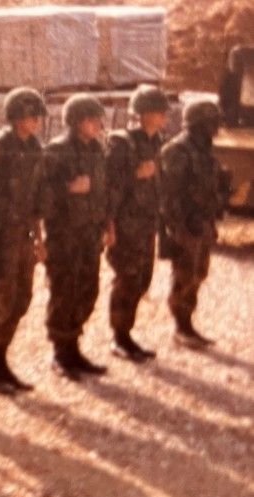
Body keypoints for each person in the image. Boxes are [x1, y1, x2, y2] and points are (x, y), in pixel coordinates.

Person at [38, 93, 114, 380]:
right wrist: (67, 189)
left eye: (97, 119)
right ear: (75, 121)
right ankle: (61, 352)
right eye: (91, 119)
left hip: (89, 234)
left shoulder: (97, 149)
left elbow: (103, 191)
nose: (96, 124)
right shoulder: (57, 151)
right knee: (64, 292)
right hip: (64, 235)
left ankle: (73, 346)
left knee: (87, 290)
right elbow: (41, 196)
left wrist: (108, 225)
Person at [0, 87, 47, 394]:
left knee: (20, 299)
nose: (37, 122)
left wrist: (39, 238)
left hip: (22, 237)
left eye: (38, 117)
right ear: (17, 118)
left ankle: (2, 362)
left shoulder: (34, 149)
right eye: (32, 116)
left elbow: (34, 199)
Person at [106, 85, 170, 361]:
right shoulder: (123, 142)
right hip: (125, 225)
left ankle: (126, 334)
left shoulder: (157, 143)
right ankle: (119, 337)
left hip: (146, 225)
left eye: (161, 111)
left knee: (142, 279)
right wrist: (135, 175)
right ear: (141, 114)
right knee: (127, 280)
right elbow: (109, 184)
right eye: (155, 111)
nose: (161, 115)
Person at [160, 99, 228, 348]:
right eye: (211, 123)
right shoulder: (177, 150)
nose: (216, 128)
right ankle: (181, 326)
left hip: (203, 222)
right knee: (185, 274)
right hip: (186, 226)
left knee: (199, 273)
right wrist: (181, 224)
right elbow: (169, 194)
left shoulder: (204, 150)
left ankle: (187, 322)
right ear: (198, 124)